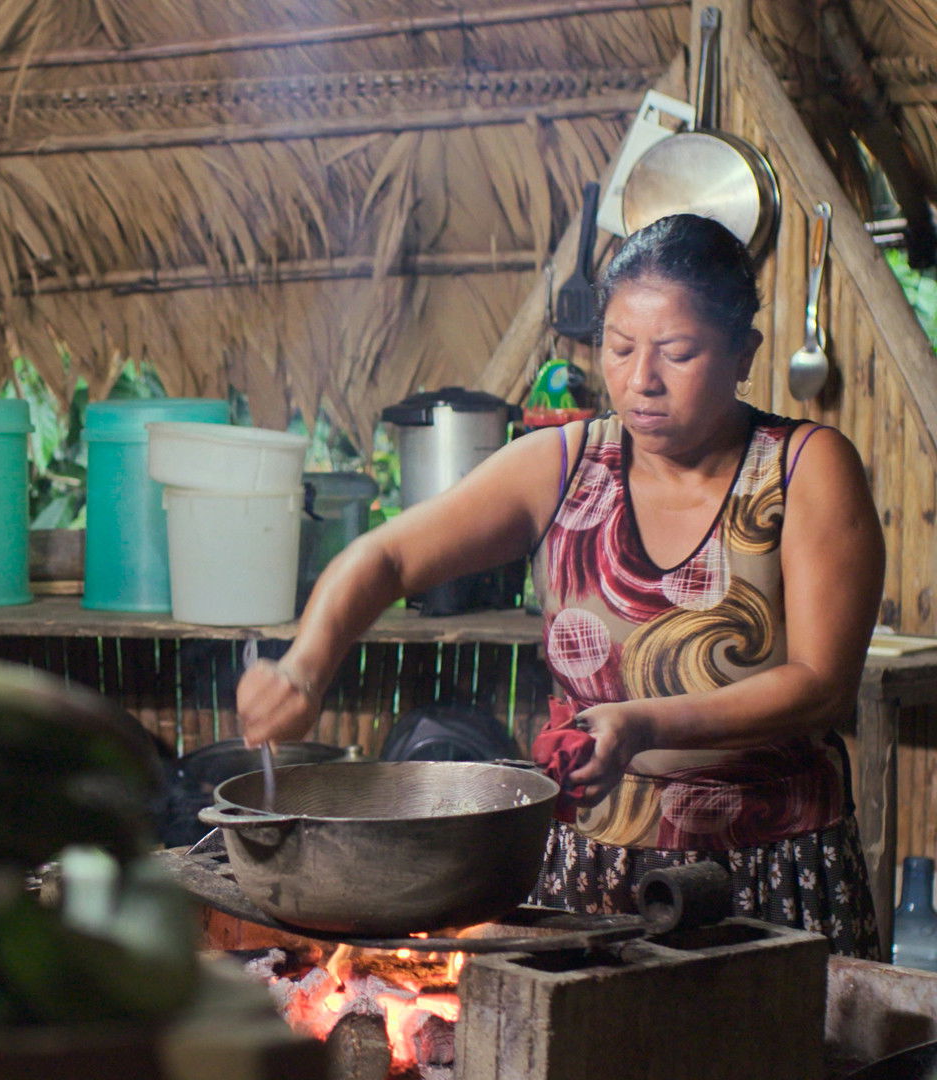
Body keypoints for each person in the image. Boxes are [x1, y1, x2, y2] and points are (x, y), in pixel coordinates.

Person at [236, 213, 884, 958]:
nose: (641, 381)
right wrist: (304, 665)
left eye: (677, 353)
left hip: (774, 878)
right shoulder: (564, 464)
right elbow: (385, 558)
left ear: (744, 353)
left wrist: (642, 724)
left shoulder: (805, 468)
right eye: (618, 348)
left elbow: (823, 685)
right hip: (590, 876)